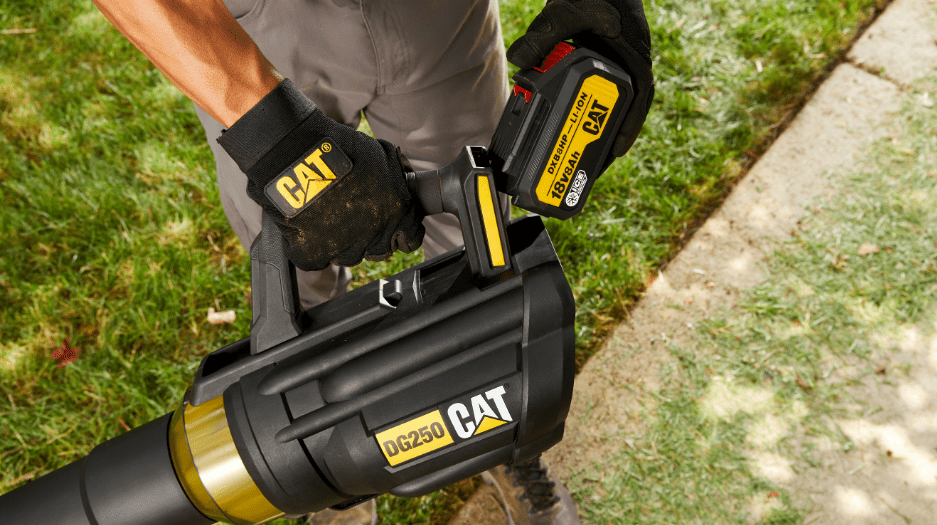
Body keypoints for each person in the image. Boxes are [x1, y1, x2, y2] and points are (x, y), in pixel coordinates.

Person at [91, 0, 653, 523]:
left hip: (439, 17)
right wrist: (274, 139)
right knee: (293, 271)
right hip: (263, 28)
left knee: (477, 231)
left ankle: (496, 421)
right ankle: (332, 471)